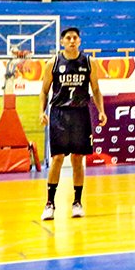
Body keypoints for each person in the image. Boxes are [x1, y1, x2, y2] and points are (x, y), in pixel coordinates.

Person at [39, 26, 106, 221]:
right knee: (57, 158)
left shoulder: (89, 62)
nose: (71, 41)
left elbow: (96, 89)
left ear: (79, 41)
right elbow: (44, 90)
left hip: (80, 113)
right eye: (68, 38)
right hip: (59, 113)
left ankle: (77, 202)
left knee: (78, 159)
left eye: (75, 37)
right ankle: (50, 203)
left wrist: (101, 111)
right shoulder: (52, 63)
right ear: (62, 42)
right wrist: (42, 112)